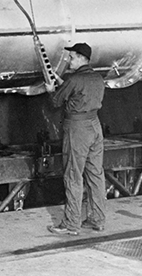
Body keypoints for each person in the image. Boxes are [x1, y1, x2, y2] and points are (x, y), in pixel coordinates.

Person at [47, 42, 107, 236]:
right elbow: (76, 92)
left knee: (73, 175)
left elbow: (56, 101)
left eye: (71, 57)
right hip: (95, 127)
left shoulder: (74, 79)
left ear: (81, 58)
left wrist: (50, 89)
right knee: (95, 174)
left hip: (78, 129)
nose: (69, 60)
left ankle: (71, 224)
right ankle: (97, 220)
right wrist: (63, 84)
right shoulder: (97, 78)